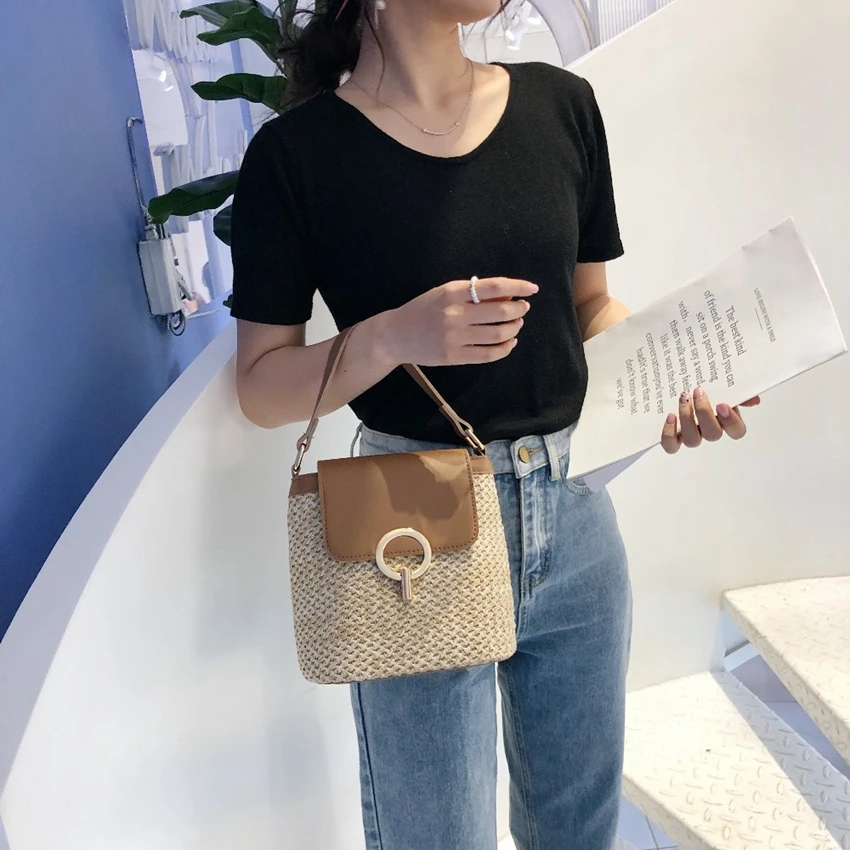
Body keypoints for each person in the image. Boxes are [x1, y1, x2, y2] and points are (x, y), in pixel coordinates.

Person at [229, 2, 759, 848]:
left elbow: (590, 305)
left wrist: (673, 382)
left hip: (575, 516)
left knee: (578, 830)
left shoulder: (560, 105)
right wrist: (393, 336)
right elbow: (260, 387)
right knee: (437, 835)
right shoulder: (296, 156)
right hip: (411, 536)